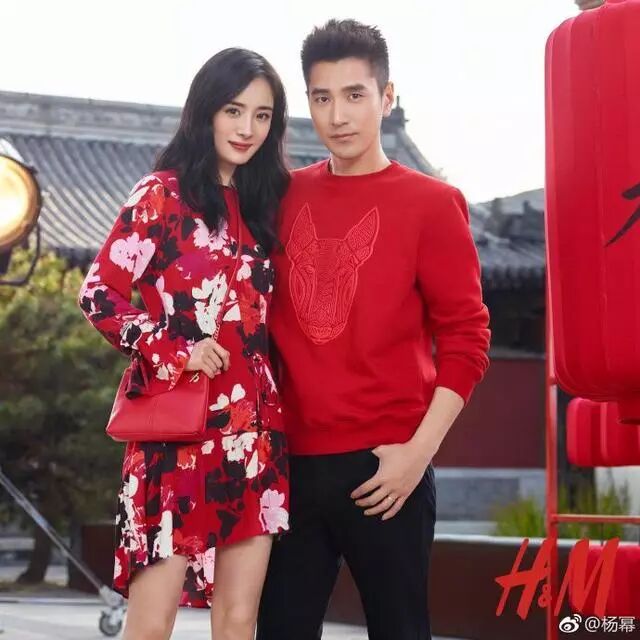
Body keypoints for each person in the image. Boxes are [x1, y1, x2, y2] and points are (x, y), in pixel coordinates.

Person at [257, 19, 491, 640]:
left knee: (401, 629)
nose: (337, 116)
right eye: (322, 97)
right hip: (289, 465)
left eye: (355, 95)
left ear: (386, 98)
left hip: (387, 468)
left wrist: (417, 455)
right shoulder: (281, 196)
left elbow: (467, 338)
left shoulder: (433, 204)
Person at [78, 48, 290, 640]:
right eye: (234, 110)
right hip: (174, 439)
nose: (247, 128)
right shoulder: (161, 196)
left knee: (240, 620)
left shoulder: (265, 203)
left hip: (253, 438)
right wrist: (175, 348)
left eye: (263, 115)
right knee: (152, 625)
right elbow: (98, 294)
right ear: (205, 111)